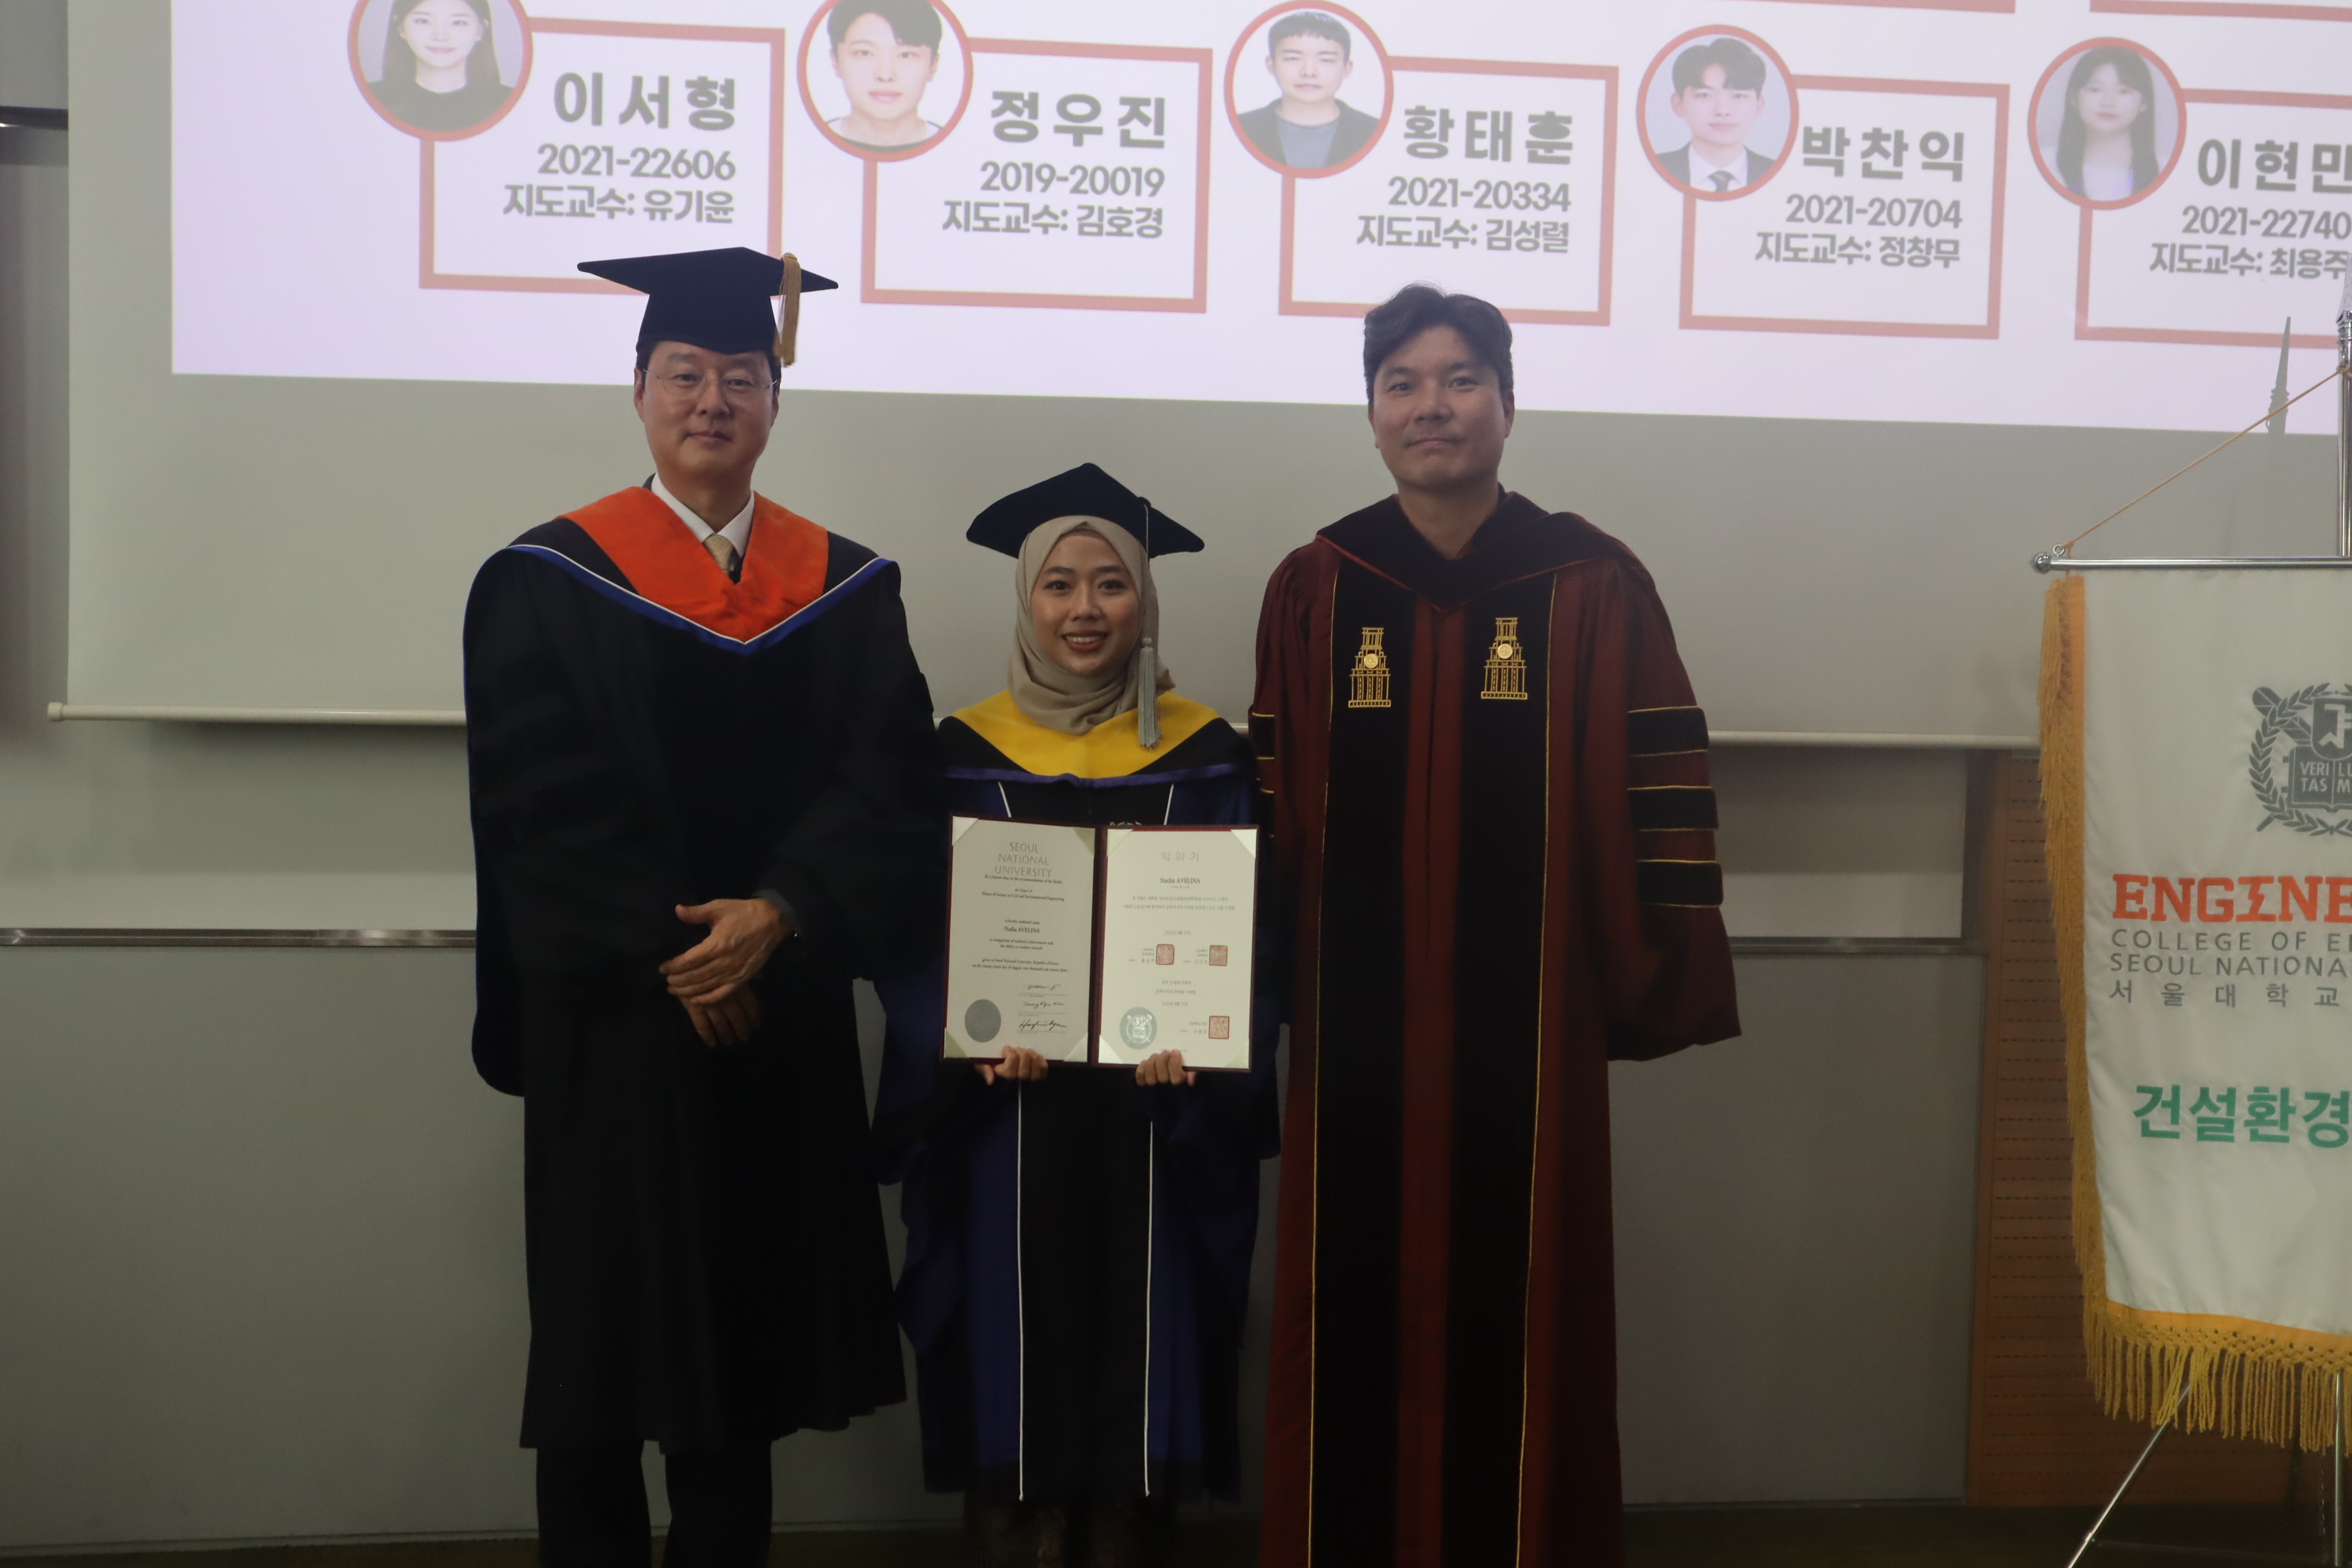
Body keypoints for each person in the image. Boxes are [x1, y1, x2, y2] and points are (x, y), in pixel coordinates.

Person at [463, 245, 944, 1568]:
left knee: (743, 1348)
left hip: (773, 1021)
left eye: (741, 375)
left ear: (776, 403)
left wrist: (779, 913)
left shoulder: (846, 586)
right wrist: (683, 955)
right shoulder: (546, 579)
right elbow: (535, 802)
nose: (712, 399)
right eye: (685, 373)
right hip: (621, 1031)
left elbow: (886, 778)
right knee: (602, 1353)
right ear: (639, 392)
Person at [1250, 285, 1740, 1568]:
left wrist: (1640, 970)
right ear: (1371, 413)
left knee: (1522, 1301)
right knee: (1348, 1300)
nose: (1433, 406)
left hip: (1527, 1036)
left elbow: (1657, 790)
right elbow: (1275, 809)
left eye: (1461, 379)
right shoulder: (1316, 584)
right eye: (1403, 382)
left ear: (1508, 404)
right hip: (1354, 1037)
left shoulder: (1590, 583)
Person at [874, 465, 1277, 1568]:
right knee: (1012, 1337)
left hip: (1157, 1110)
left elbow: (1255, 934)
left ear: (1146, 601)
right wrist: (964, 1034)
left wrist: (1210, 1040)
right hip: (1008, 1109)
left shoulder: (1209, 757)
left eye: (1111, 583)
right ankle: (1024, 1540)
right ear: (1027, 600)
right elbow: (912, 926)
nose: (1085, 608)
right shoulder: (961, 754)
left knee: (1150, 1335)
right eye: (1058, 584)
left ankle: (1131, 1537)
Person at [1237, 11, 1379, 172]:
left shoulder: (1374, 131)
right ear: (1271, 65)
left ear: (1347, 68)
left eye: (1326, 60)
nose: (1309, 72)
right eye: (1293, 58)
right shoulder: (1242, 127)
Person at [369, 0, 511, 134]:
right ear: (401, 28)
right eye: (423, 21)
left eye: (458, 23)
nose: (440, 36)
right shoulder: (371, 100)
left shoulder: (510, 104)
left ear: (480, 30)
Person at [827, 0, 947, 153]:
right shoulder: (809, 145)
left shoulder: (954, 150)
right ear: (836, 61)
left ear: (933, 65)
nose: (885, 75)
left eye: (905, 55)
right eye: (865, 53)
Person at [1659, 36, 1773, 192]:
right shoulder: (1652, 168)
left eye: (1738, 96)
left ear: (1759, 106)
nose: (1722, 110)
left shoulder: (1780, 173)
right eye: (1704, 95)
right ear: (1678, 103)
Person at [2052, 45, 2160, 202]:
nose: (2108, 102)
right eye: (2095, 89)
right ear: (2074, 98)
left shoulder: (2165, 169)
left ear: (2144, 102)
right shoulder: (2047, 166)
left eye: (2123, 91)